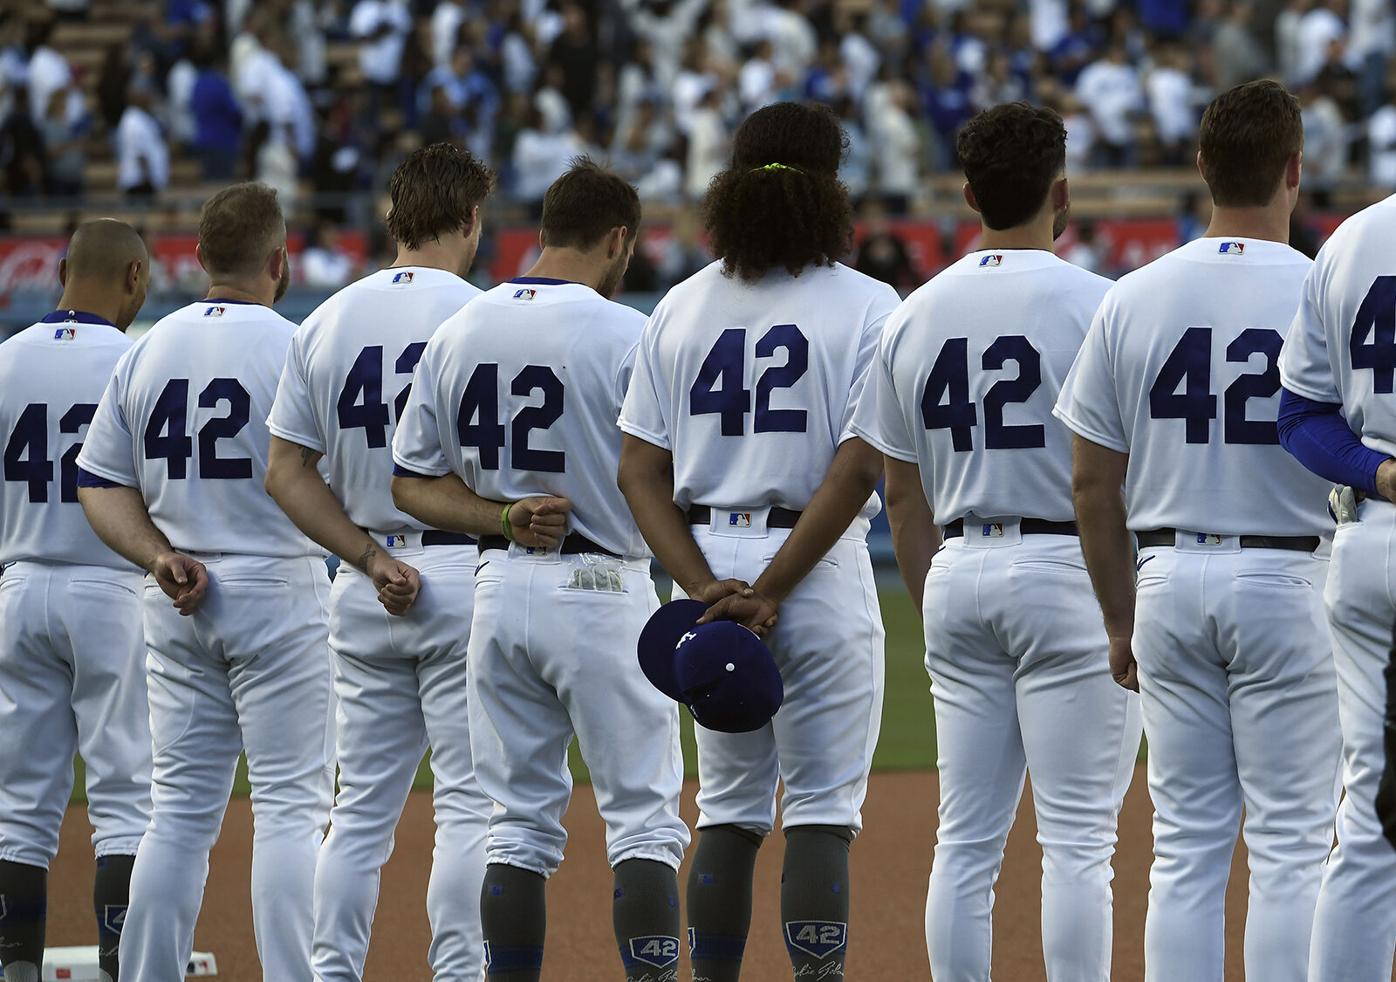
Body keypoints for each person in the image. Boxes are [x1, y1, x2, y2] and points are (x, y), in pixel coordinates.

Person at [1055, 80, 1343, 982]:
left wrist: (1117, 618)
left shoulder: (1132, 294)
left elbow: (1094, 483)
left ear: (1201, 169)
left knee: (1183, 850)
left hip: (1169, 577)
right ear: (1295, 170)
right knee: (1293, 846)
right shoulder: (1322, 285)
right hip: (1293, 577)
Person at [851, 102, 1142, 981]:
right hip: (1069, 567)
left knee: (964, 841)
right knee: (1080, 844)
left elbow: (899, 493)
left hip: (958, 568)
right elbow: (1120, 479)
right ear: (1063, 194)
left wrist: (938, 591)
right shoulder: (1103, 302)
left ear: (971, 194)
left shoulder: (912, 312)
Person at [616, 101, 898, 981]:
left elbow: (638, 473)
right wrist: (769, 587)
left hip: (705, 564)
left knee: (730, 811)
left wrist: (706, 587)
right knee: (820, 810)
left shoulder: (680, 304)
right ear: (830, 190)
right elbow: (857, 469)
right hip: (812, 571)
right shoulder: (868, 302)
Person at [391, 160, 690, 982]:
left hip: (498, 588)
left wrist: (499, 516)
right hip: (602, 589)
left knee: (515, 824)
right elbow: (671, 479)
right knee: (642, 822)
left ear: (543, 231)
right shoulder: (628, 332)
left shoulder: (461, 328)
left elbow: (409, 482)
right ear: (618, 238)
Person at [75, 184, 334, 982]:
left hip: (177, 591)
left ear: (198, 258)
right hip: (279, 586)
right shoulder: (297, 345)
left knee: (178, 814)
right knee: (291, 809)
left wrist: (155, 556)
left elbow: (97, 482)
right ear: (280, 261)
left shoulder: (147, 347)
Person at [264, 143, 495, 982]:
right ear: (470, 219)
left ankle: (331, 973)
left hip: (365, 583)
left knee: (357, 810)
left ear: (394, 217)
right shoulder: (483, 315)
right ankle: (461, 972)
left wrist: (365, 558)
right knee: (471, 804)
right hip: (467, 574)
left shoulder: (327, 318)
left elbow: (284, 469)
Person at [0, 220, 152, 982]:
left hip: (20, 584)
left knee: (18, 806)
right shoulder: (138, 360)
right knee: (126, 795)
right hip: (113, 589)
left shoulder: (4, 360)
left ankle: (15, 966)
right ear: (132, 277)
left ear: (60, 269)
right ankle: (122, 965)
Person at [1276, 118, 1396, 982]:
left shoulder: (1351, 240)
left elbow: (1301, 419)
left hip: (1371, 545)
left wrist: (1382, 472)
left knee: (1369, 817)